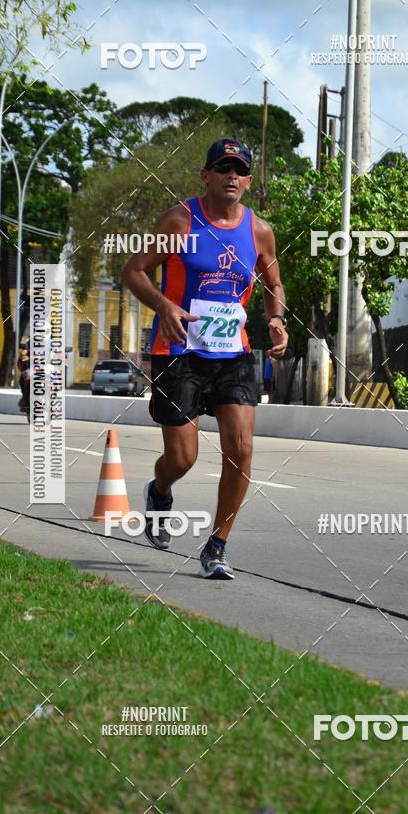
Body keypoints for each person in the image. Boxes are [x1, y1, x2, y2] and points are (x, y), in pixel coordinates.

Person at [121, 139, 288, 579]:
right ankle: (160, 491)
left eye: (240, 170)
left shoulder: (259, 230)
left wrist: (275, 320)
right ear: (206, 175)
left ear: (249, 181)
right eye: (223, 168)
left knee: (242, 449)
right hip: (178, 353)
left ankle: (217, 545)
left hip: (231, 356)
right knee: (183, 458)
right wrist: (164, 306)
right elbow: (133, 271)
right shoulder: (179, 220)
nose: (231, 176)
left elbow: (273, 284)